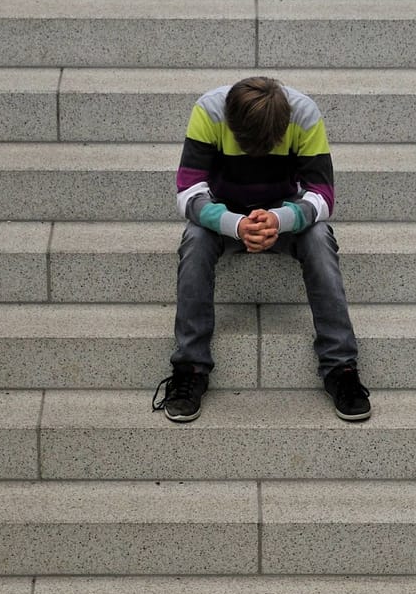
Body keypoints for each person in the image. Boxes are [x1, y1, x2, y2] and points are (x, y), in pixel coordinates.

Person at [152, 75, 371, 424]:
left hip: (285, 217)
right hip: (222, 217)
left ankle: (340, 368)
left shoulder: (304, 114)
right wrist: (236, 224)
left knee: (319, 237)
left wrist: (278, 220)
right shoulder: (209, 111)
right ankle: (190, 368)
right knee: (194, 239)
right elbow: (188, 191)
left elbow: (323, 196)